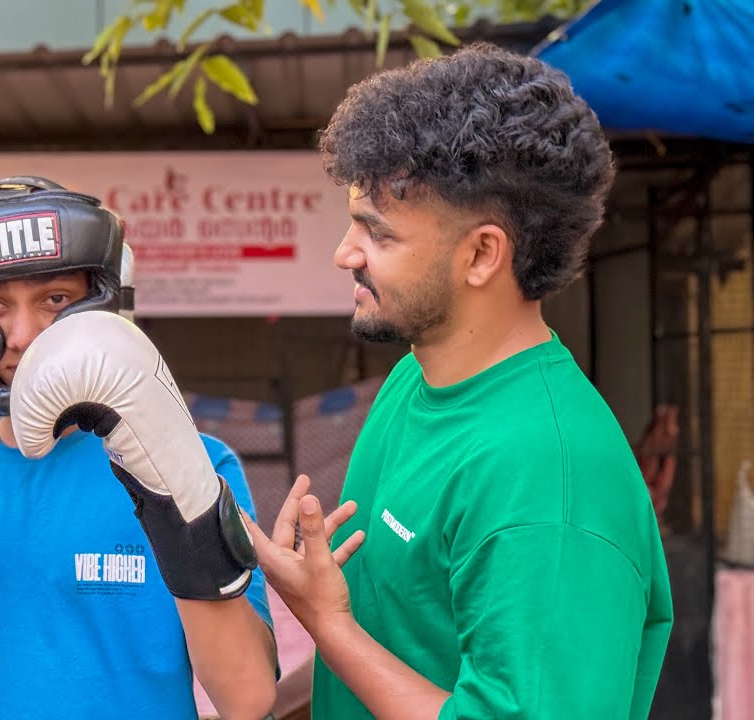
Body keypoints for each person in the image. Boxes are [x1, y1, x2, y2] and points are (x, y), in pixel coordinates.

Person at [245, 43, 674, 719]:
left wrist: (326, 621)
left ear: (481, 255)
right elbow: (395, 643)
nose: (344, 254)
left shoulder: (549, 481)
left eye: (378, 234)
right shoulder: (412, 380)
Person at [0, 176, 279, 719]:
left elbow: (247, 697)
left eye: (56, 299)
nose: (23, 335)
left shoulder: (198, 461)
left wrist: (180, 505)